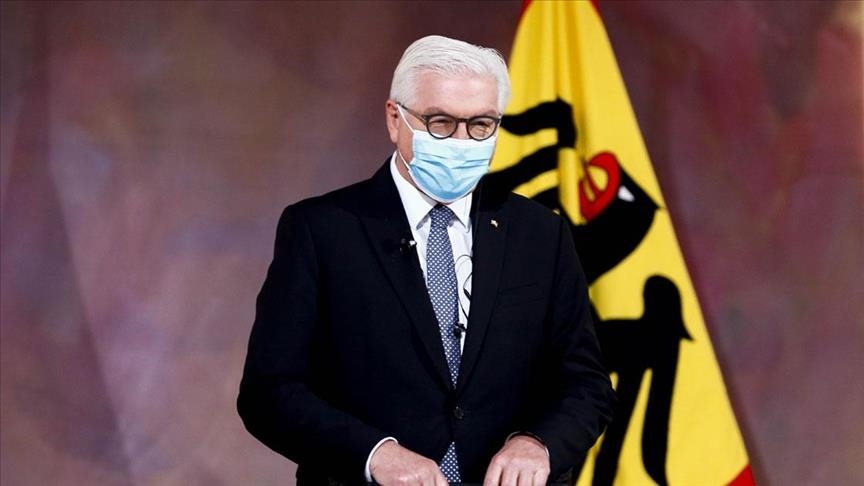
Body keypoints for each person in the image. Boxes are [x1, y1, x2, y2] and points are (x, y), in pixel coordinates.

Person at [238, 35, 615, 486]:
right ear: (394, 119)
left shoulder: (540, 234)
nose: (462, 141)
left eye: (481, 125)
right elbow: (269, 392)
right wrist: (374, 454)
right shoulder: (322, 230)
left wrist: (538, 443)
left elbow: (586, 383)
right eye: (441, 122)